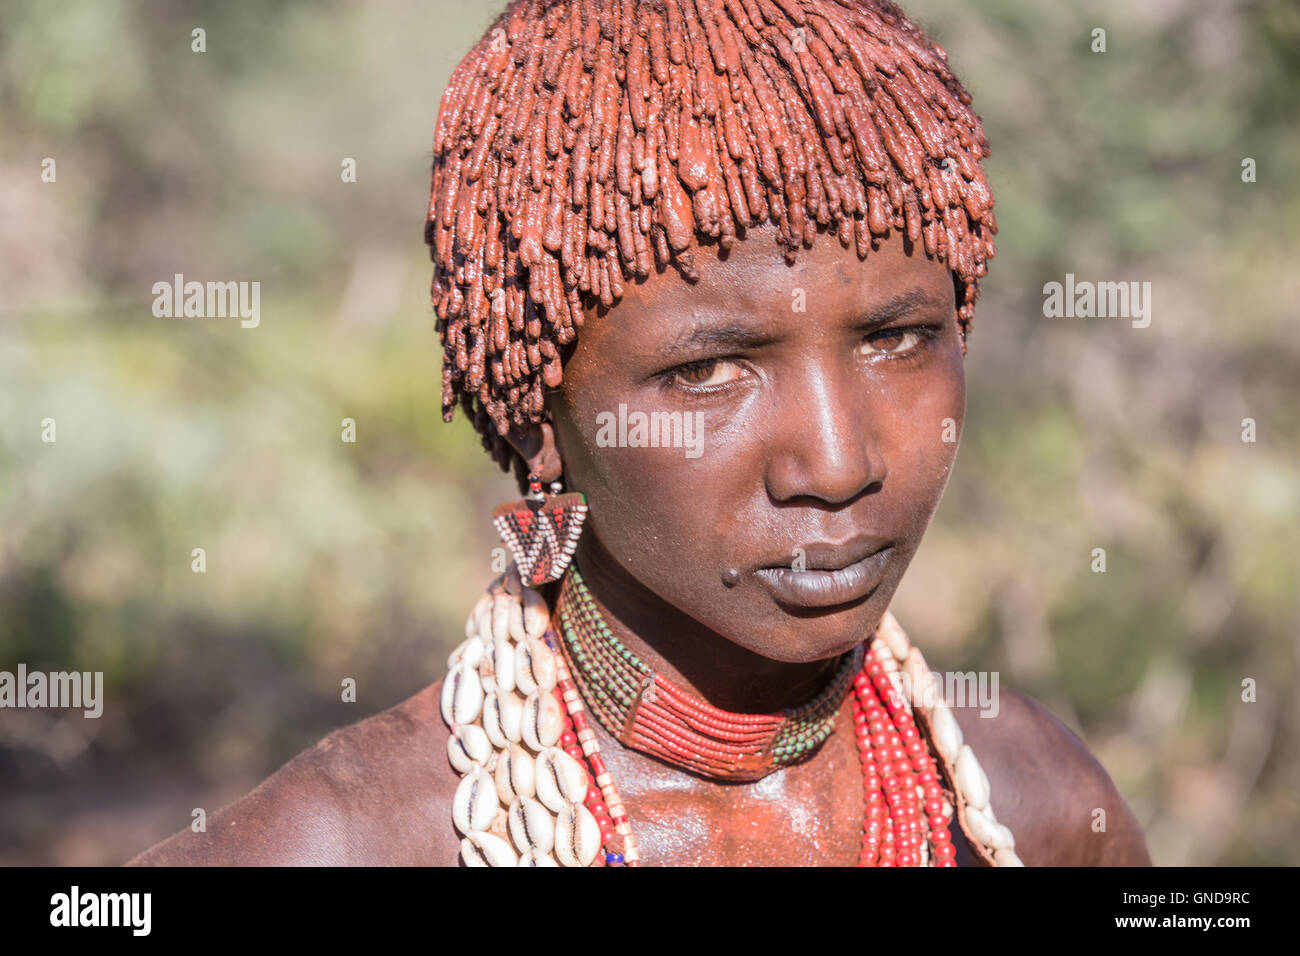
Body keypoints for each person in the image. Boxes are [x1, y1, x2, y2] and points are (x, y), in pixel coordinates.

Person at [129, 0, 1151, 866]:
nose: (838, 464)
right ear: (534, 413)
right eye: (707, 368)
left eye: (897, 337)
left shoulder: (1027, 806)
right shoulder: (346, 843)